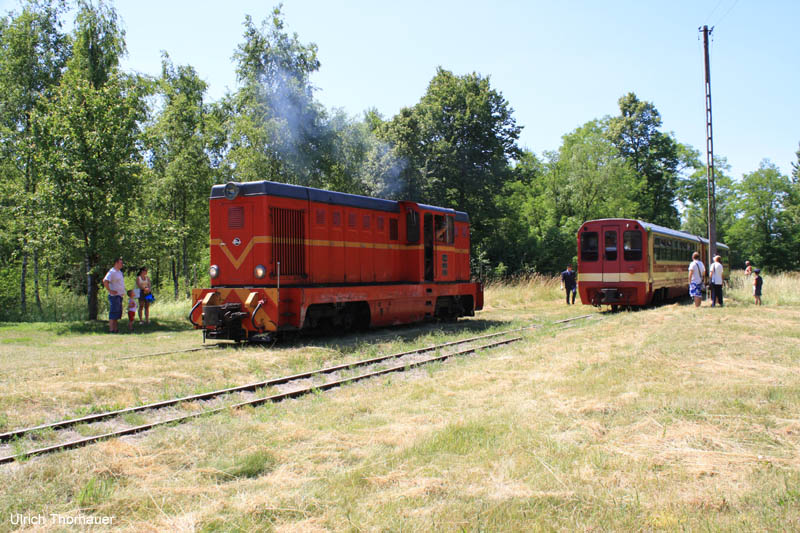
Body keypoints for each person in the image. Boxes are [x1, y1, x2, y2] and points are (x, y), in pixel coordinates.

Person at [102, 258, 125, 333]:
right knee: (113, 313)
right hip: (114, 296)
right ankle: (111, 330)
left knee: (117, 313)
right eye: (121, 263)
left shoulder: (119, 272)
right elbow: (105, 281)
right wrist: (110, 290)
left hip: (119, 296)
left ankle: (115, 329)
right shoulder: (112, 272)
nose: (122, 264)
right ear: (116, 263)